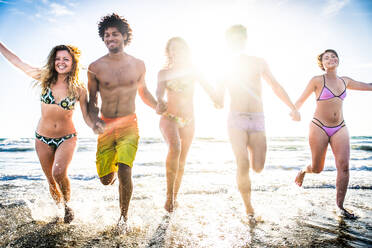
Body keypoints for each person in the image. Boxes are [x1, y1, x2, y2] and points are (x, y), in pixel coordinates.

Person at [0, 42, 94, 223]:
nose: (61, 62)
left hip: (67, 138)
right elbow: (17, 62)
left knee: (59, 173)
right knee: (51, 179)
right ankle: (60, 210)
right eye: (58, 58)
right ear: (53, 61)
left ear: (73, 63)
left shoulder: (79, 88)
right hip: (42, 138)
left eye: (66, 59)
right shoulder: (44, 78)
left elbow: (87, 116)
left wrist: (101, 128)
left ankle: (68, 206)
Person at [215, 25, 300, 223]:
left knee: (258, 166)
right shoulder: (224, 65)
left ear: (245, 40)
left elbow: (275, 86)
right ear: (228, 43)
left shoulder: (259, 62)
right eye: (232, 39)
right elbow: (219, 98)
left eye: (239, 38)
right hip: (236, 118)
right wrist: (216, 100)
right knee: (242, 163)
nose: (236, 42)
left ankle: (247, 180)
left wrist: (292, 107)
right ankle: (249, 208)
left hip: (257, 119)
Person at [87, 13, 160, 228]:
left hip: (129, 124)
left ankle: (123, 219)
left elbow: (144, 92)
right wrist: (94, 121)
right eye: (107, 35)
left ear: (124, 36)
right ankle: (115, 177)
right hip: (106, 125)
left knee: (125, 168)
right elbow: (93, 101)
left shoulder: (138, 64)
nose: (110, 38)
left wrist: (158, 106)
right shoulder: (95, 67)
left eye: (115, 34)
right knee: (106, 179)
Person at [294, 49, 372, 218]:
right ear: (322, 64)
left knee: (343, 166)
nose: (331, 58)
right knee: (317, 168)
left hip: (340, 127)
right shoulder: (316, 80)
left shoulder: (345, 81)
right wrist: (294, 111)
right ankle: (303, 170)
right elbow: (300, 100)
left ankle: (340, 207)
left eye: (333, 56)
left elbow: (368, 86)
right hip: (318, 126)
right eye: (326, 57)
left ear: (338, 60)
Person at [156, 37, 217, 213]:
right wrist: (159, 101)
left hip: (189, 120)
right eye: (173, 49)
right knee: (175, 147)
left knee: (182, 160)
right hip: (169, 117)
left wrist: (216, 99)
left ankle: (175, 196)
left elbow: (209, 88)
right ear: (169, 52)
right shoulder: (164, 73)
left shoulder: (194, 71)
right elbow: (159, 92)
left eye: (181, 49)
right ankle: (168, 196)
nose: (177, 52)